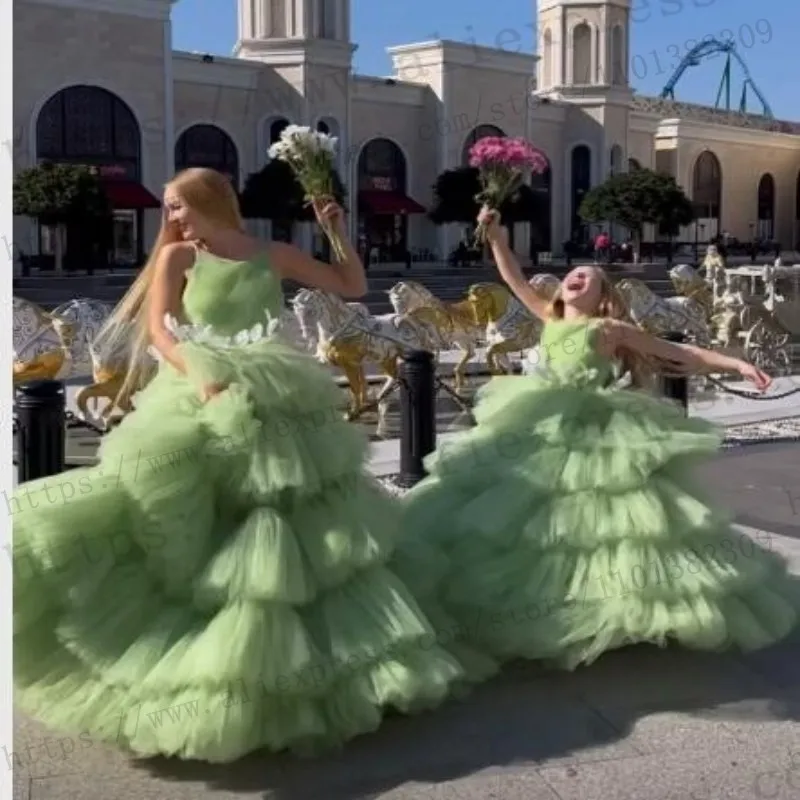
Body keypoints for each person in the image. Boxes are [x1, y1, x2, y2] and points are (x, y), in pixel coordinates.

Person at [12, 168, 496, 764]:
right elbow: (160, 329)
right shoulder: (179, 258)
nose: (172, 218)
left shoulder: (274, 253)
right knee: (175, 504)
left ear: (210, 201)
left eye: (179, 206)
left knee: (300, 517)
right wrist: (201, 374)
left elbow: (349, 284)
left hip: (277, 392)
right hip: (201, 388)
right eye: (167, 208)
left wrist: (337, 231)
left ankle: (309, 662)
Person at [394, 207, 799, 672]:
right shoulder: (549, 316)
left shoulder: (608, 330)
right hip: (534, 423)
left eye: (588, 276)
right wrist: (496, 234)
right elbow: (512, 276)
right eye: (572, 273)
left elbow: (678, 351)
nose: (575, 277)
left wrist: (738, 365)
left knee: (607, 524)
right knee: (534, 519)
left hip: (593, 433)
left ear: (604, 295)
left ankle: (620, 608)